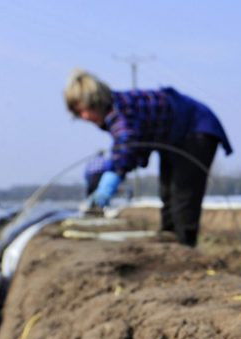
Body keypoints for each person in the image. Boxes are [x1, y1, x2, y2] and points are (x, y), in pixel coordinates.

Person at [64, 69, 232, 246]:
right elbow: (127, 146)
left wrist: (114, 175)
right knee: (167, 190)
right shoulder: (116, 110)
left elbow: (126, 145)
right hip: (174, 138)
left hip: (196, 129)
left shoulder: (121, 111)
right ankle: (169, 241)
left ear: (95, 102)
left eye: (84, 111)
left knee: (183, 193)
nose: (84, 117)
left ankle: (185, 247)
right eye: (78, 113)